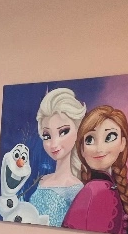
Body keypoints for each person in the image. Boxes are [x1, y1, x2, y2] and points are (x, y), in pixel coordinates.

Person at [62, 105, 128, 234]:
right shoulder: (97, 189)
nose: (99, 148)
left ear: (123, 143)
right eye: (90, 139)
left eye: (110, 137)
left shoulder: (112, 191)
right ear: (82, 149)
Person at [27, 88, 86, 226]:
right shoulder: (41, 180)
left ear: (78, 130)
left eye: (63, 132)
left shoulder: (75, 188)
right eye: (47, 136)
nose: (54, 144)